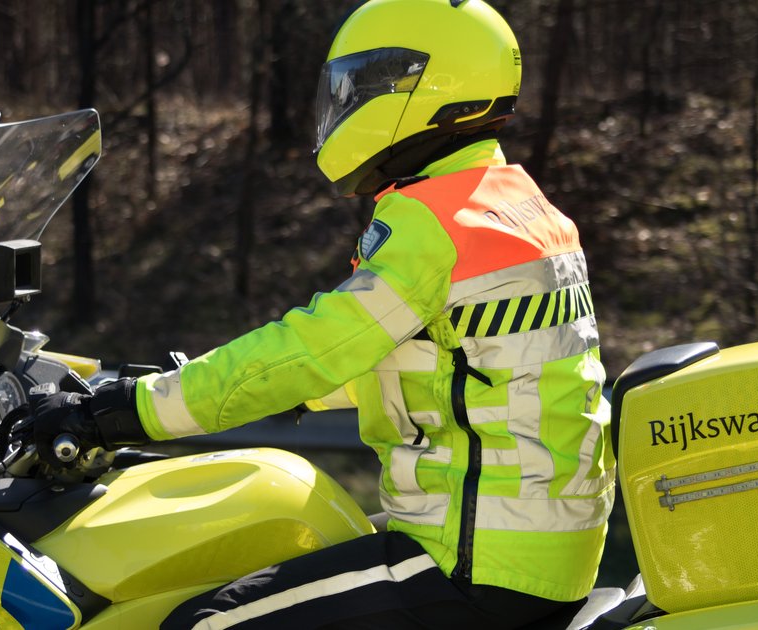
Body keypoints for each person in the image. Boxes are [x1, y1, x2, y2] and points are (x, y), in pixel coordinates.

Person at [32, 0, 614, 627]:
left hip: (475, 559)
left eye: (368, 84)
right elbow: (446, 365)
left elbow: (307, 350)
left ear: (434, 87)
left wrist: (127, 410)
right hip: (538, 547)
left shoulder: (437, 223)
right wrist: (253, 391)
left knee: (202, 623)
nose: (347, 103)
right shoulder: (518, 208)